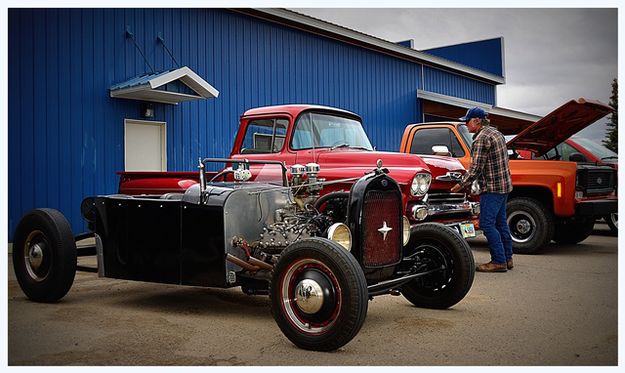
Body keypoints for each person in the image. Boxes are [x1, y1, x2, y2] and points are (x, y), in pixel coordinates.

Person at [451, 107, 513, 272]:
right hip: (504, 186)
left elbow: (476, 168)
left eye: (468, 120)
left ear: (477, 121)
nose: (466, 124)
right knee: (501, 223)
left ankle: (498, 261)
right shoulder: (496, 133)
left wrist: (461, 185)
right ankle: (507, 258)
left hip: (492, 188)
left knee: (486, 224)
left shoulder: (481, 138)